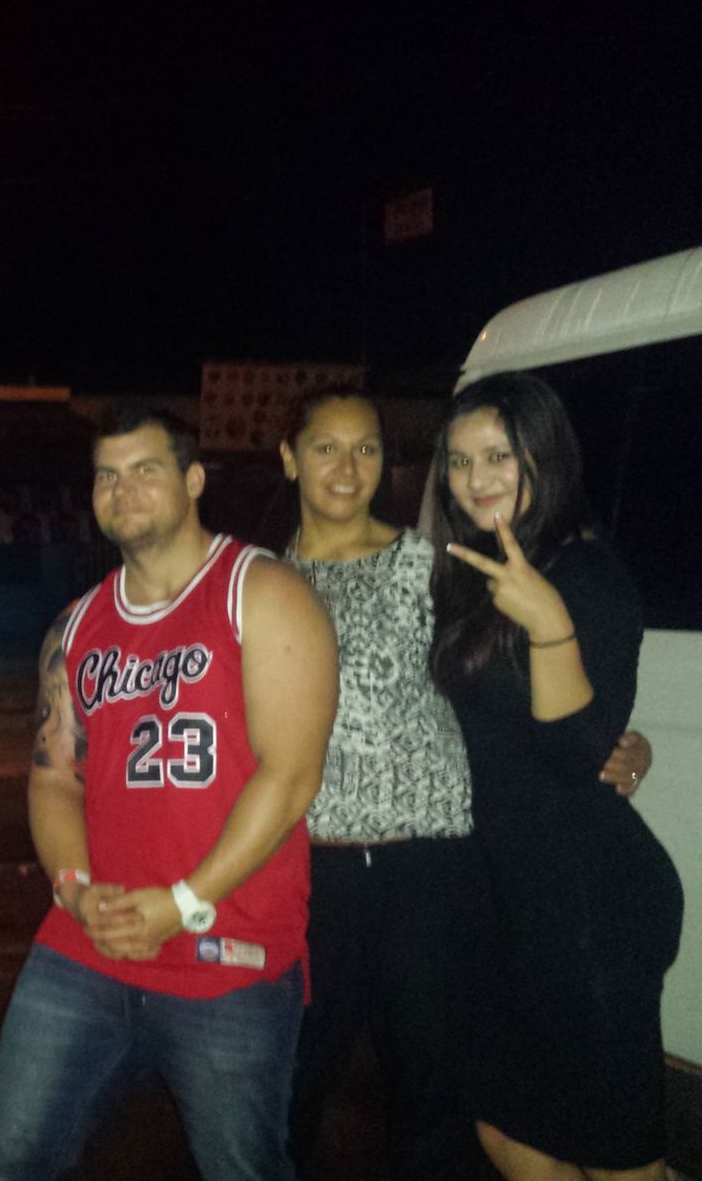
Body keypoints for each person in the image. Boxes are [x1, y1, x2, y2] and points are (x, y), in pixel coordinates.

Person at [277, 388, 653, 1179]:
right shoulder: (260, 583)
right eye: (325, 447)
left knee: (444, 1102)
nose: (347, 467)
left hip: (444, 869)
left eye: (367, 448)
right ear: (289, 459)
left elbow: (531, 693)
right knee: (291, 1083)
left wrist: (614, 742)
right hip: (318, 871)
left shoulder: (443, 567)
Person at [0, 404, 339, 1181]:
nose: (123, 489)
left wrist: (182, 902)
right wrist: (75, 891)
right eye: (107, 475)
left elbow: (290, 777)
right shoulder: (75, 627)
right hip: (87, 947)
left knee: (241, 1168)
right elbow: (53, 778)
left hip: (225, 951)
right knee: (9, 1157)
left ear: (194, 479)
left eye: (146, 470)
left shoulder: (263, 592)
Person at [431, 373, 683, 1181]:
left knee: (619, 1159)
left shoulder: (586, 578)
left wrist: (548, 625)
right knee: (510, 1132)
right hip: (515, 909)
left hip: (588, 912)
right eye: (460, 460)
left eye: (499, 455)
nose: (477, 478)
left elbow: (577, 755)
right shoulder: (475, 573)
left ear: (546, 453)